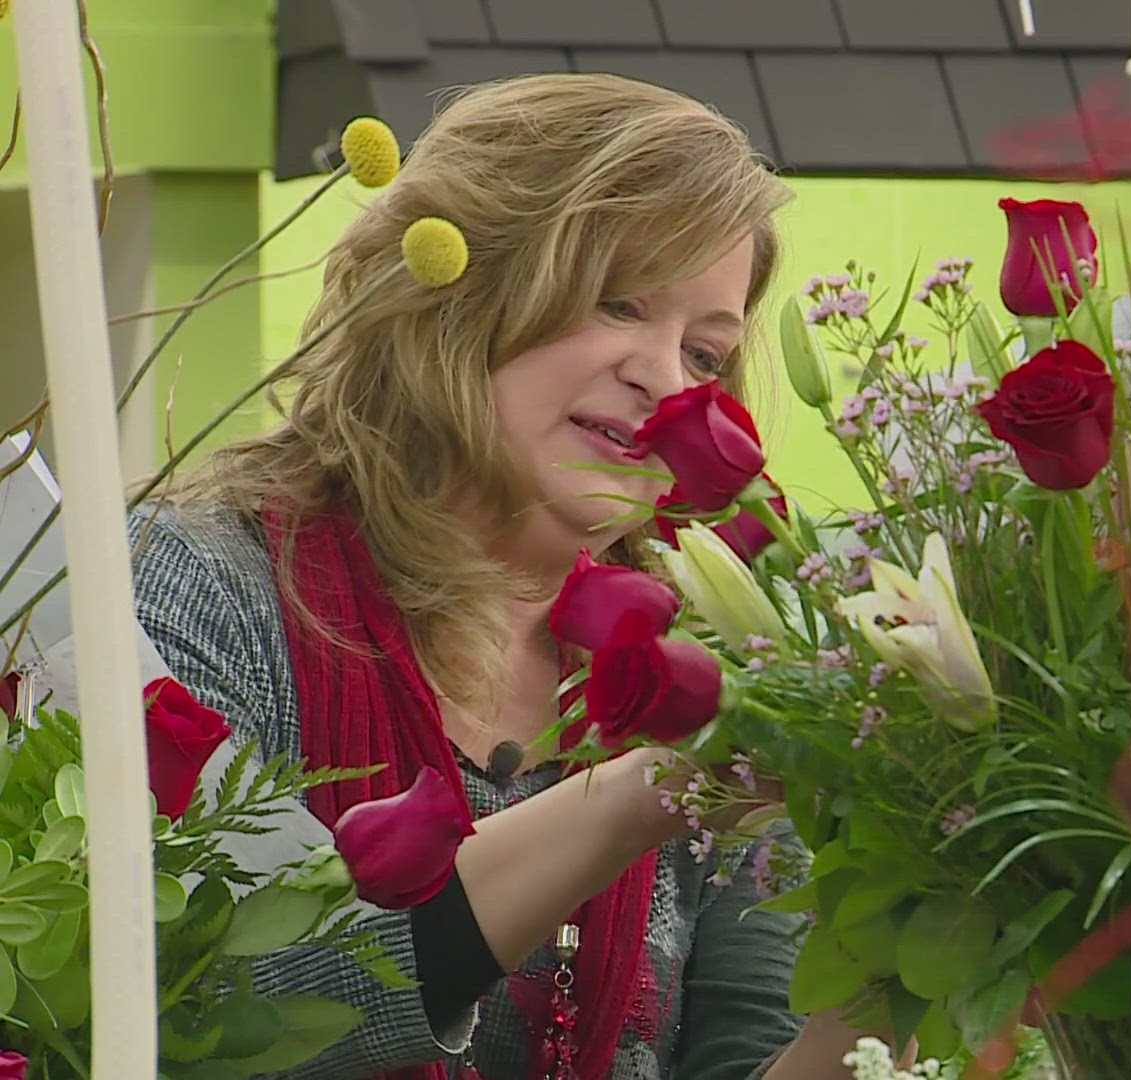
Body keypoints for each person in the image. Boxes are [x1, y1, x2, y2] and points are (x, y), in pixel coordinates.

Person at [129, 74, 868, 1080]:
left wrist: (904, 985)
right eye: (619, 303)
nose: (665, 379)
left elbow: (751, 1056)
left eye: (706, 350)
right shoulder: (201, 581)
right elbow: (214, 1014)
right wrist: (636, 796)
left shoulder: (710, 668)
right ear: (460, 286)